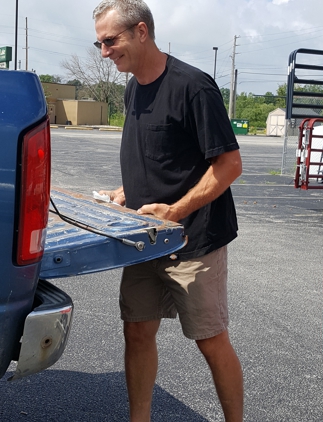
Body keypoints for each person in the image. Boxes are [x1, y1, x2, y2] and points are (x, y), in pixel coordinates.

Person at [93, 1, 243, 420]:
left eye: (111, 41)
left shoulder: (193, 87)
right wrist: (125, 192)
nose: (104, 52)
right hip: (145, 238)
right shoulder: (133, 86)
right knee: (137, 331)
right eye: (99, 43)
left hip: (193, 239)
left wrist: (175, 211)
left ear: (141, 32)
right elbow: (162, 157)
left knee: (210, 340)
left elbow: (229, 165)